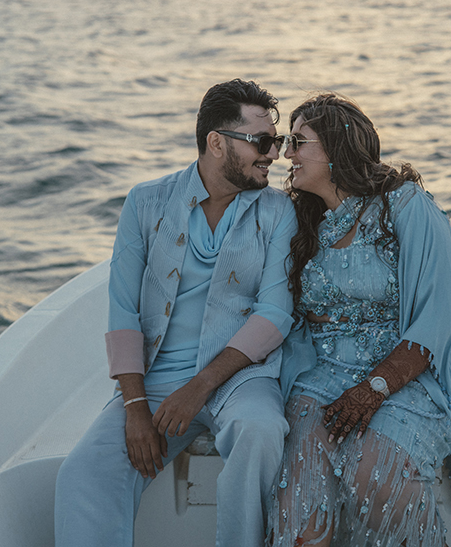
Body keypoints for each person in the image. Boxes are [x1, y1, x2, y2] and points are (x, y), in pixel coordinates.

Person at [55, 79, 297, 547]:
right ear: (216, 143)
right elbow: (123, 310)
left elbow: (275, 314)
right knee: (82, 474)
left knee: (260, 433)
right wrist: (134, 406)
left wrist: (199, 387)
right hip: (157, 377)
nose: (274, 154)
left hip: (240, 378)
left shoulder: (277, 212)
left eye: (279, 141)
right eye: (262, 142)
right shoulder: (146, 203)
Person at [269, 94, 451, 547]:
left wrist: (374, 387)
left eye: (298, 141)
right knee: (299, 499)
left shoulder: (406, 207)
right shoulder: (302, 221)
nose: (286, 154)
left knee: (376, 471)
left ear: (336, 149)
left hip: (406, 376)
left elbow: (436, 319)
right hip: (319, 376)